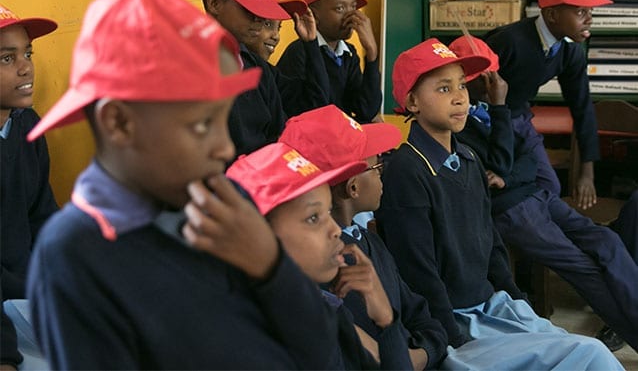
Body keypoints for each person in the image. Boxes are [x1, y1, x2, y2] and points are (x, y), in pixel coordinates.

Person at [25, 0, 340, 370]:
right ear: (119, 122)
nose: (226, 148)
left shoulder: (227, 205)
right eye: (202, 125)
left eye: (225, 119)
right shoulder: (75, 255)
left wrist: (270, 268)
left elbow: (323, 352)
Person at [377, 38, 624, 370]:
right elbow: (419, 272)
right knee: (587, 354)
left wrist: (516, 300)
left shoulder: (467, 158)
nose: (459, 97)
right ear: (412, 101)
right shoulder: (408, 170)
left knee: (578, 348)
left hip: (493, 306)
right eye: (443, 89)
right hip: (455, 320)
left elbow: (491, 242)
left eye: (462, 86)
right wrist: (450, 341)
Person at [451, 35, 638, 353]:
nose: (499, 81)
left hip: (536, 194)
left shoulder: (490, 110)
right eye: (491, 75)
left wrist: (507, 176)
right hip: (515, 211)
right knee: (586, 270)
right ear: (477, 80)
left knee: (607, 242)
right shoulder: (463, 121)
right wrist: (499, 108)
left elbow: (526, 160)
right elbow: (498, 162)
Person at [278, 104, 449, 370]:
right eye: (377, 164)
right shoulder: (322, 272)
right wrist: (408, 357)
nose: (382, 172)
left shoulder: (369, 242)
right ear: (353, 187)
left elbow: (421, 316)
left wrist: (422, 353)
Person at [224, 141, 412, 370]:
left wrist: (386, 322)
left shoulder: (326, 307)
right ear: (258, 235)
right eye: (313, 218)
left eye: (328, 212)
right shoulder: (247, 339)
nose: (334, 230)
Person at [484, 0, 612, 210]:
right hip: (487, 123)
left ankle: (542, 232)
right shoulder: (509, 41)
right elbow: (470, 89)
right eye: (580, 11)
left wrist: (587, 171)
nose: (589, 18)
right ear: (552, 15)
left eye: (590, 11)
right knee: (504, 187)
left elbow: (582, 106)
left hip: (519, 119)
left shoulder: (569, 51)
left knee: (549, 187)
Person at [193, 0, 330, 155]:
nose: (259, 18)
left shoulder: (257, 69)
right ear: (214, 4)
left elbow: (311, 107)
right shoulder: (187, 70)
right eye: (249, 9)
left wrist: (311, 45)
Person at [0, 3, 58, 371]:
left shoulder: (27, 126)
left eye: (27, 53)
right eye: (6, 59)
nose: (26, 67)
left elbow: (43, 216)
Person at [277, 0, 382, 123]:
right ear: (313, 15)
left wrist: (372, 54)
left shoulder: (348, 53)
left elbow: (367, 110)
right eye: (340, 9)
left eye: (353, 7)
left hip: (344, 135)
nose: (351, 16)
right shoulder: (299, 52)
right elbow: (310, 110)